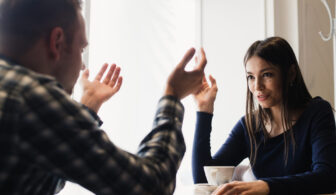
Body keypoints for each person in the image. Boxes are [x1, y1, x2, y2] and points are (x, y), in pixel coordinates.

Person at [0, 0, 207, 194]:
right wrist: (173, 95)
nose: (82, 65)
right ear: (57, 42)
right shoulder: (31, 96)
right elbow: (152, 185)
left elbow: (33, 183)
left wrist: (87, 110)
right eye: (81, 48)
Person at [192, 37, 336, 195]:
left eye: (267, 75)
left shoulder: (317, 113)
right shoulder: (249, 126)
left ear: (290, 74)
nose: (257, 86)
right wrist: (204, 111)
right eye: (251, 77)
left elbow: (327, 178)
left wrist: (266, 186)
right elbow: (203, 179)